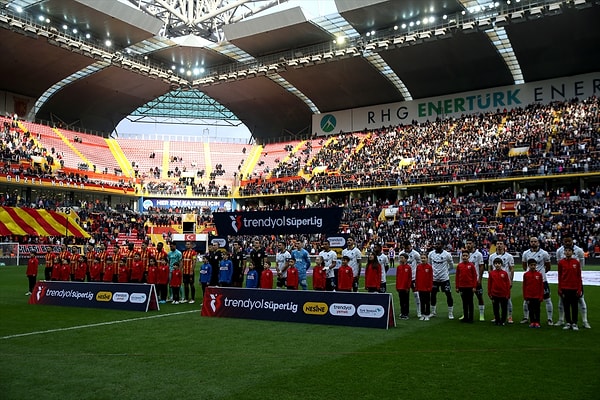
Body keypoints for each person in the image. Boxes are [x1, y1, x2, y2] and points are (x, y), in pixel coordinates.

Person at [556, 235, 590, 328]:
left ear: (572, 241)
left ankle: (584, 321)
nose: (567, 243)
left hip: (575, 283)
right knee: (562, 302)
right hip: (565, 284)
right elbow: (560, 270)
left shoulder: (579, 251)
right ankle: (562, 320)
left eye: (569, 241)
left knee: (580, 300)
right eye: (565, 241)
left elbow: (581, 266)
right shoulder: (559, 251)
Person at [521, 236, 553, 325]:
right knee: (527, 300)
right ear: (530, 243)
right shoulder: (525, 253)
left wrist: (540, 273)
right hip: (530, 280)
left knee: (547, 299)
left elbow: (548, 266)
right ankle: (525, 317)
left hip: (542, 280)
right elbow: (524, 265)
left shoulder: (544, 253)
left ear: (538, 242)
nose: (533, 243)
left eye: (535, 241)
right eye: (532, 241)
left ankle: (550, 319)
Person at [488, 239, 515, 323]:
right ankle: (496, 317)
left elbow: (511, 269)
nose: (499, 245)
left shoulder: (509, 256)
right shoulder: (492, 256)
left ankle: (509, 316)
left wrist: (511, 280)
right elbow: (490, 268)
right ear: (496, 245)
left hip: (505, 281)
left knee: (508, 299)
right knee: (495, 300)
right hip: (496, 281)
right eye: (498, 244)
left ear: (504, 245)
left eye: (501, 244)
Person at [557, 246, 583, 331]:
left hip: (574, 288)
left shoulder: (576, 262)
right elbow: (560, 276)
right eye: (566, 251)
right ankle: (568, 322)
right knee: (566, 306)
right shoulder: (561, 262)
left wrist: (579, 289)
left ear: (572, 252)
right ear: (564, 252)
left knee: (574, 306)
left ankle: (574, 323)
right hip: (565, 288)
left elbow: (579, 276)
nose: (567, 252)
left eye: (569, 251)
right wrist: (560, 288)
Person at [428, 240, 454, 319]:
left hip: (444, 279)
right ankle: (433, 312)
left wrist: (446, 272)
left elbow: (451, 265)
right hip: (434, 279)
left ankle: (450, 313)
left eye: (438, 244)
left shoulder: (447, 254)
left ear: (442, 245)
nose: (436, 245)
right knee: (433, 295)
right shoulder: (431, 254)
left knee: (448, 295)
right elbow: (430, 264)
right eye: (436, 244)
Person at [466, 238, 486, 321]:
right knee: (466, 298)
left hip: (476, 280)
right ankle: (465, 314)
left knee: (479, 297)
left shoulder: (478, 254)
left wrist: (480, 279)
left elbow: (481, 266)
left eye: (470, 243)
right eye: (467, 243)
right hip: (466, 281)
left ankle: (481, 314)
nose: (468, 245)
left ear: (473, 244)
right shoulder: (463, 254)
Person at [488, 258, 511, 326]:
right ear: (494, 264)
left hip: (503, 294)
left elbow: (507, 284)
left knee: (504, 308)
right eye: (496, 264)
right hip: (495, 294)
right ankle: (497, 320)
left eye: (499, 263)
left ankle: (503, 320)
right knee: (495, 308)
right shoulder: (492, 273)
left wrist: (508, 293)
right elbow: (490, 284)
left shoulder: (504, 273)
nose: (497, 265)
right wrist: (489, 293)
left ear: (501, 264)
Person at [455, 251, 477, 323]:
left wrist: (474, 286)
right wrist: (457, 287)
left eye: (466, 256)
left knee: (470, 302)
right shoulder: (459, 265)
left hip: (470, 287)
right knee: (464, 302)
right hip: (462, 287)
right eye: (463, 255)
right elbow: (457, 277)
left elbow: (474, 276)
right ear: (461, 256)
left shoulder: (471, 265)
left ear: (469, 256)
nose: (464, 257)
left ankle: (471, 318)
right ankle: (465, 317)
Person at [403, 241, 422, 318]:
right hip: (405, 278)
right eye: (405, 248)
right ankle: (405, 312)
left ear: (410, 246)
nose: (406, 249)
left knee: (416, 294)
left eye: (407, 248)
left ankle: (419, 311)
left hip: (414, 278)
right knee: (405, 296)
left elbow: (419, 263)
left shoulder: (416, 254)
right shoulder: (402, 253)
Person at [523, 258, 544, 328]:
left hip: (537, 296)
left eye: (534, 265)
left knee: (537, 309)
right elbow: (524, 286)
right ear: (528, 266)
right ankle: (532, 321)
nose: (533, 266)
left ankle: (537, 322)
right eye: (531, 265)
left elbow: (541, 286)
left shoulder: (539, 274)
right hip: (529, 296)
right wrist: (525, 295)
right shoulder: (526, 275)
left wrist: (541, 296)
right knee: (531, 310)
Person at [415, 254, 433, 321]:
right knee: (422, 301)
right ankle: (422, 314)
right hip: (420, 287)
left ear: (427, 259)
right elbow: (417, 277)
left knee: (427, 302)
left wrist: (430, 287)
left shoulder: (429, 267)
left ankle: (427, 314)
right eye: (421, 258)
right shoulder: (418, 267)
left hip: (427, 288)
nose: (423, 259)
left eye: (424, 258)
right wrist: (416, 286)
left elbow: (431, 278)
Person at [396, 253, 412, 320]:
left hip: (405, 287)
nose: (401, 259)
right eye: (400, 257)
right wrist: (397, 286)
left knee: (406, 301)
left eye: (402, 257)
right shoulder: (399, 267)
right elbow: (397, 277)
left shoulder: (408, 267)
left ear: (406, 259)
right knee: (401, 301)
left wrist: (408, 287)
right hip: (400, 287)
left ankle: (406, 313)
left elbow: (409, 278)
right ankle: (402, 312)